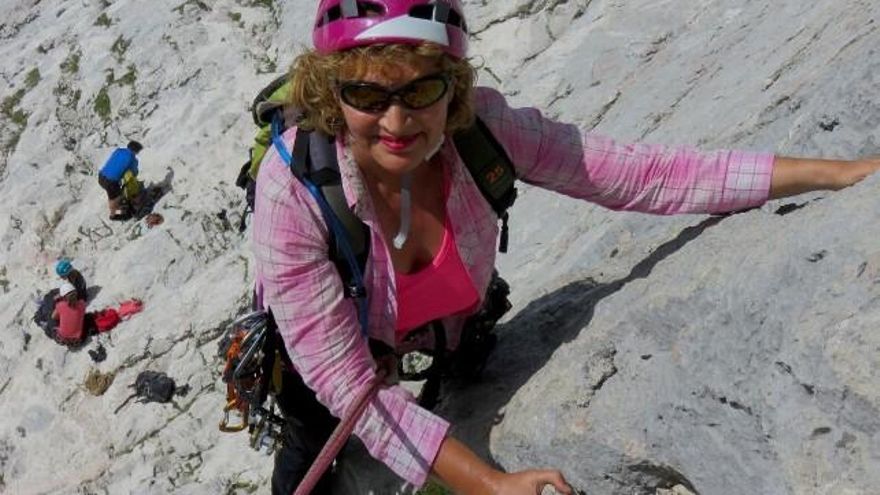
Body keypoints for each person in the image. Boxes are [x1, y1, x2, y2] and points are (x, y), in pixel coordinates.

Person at [251, 1, 880, 493]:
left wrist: (833, 174)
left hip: (452, 333)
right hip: (335, 360)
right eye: (366, 95)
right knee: (311, 446)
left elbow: (645, 175)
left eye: (420, 90)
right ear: (331, 92)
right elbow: (346, 383)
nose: (396, 121)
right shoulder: (296, 190)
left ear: (453, 86)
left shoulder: (483, 132)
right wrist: (489, 484)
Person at [98, 140, 143, 220]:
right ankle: (115, 215)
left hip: (101, 176)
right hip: (111, 182)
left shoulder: (118, 150)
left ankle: (115, 213)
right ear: (136, 151)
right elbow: (134, 173)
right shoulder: (133, 159)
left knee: (112, 195)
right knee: (118, 197)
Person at [51, 282, 87, 346]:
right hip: (78, 340)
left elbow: (53, 317)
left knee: (52, 321)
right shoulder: (82, 303)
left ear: (63, 297)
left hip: (63, 340)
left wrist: (57, 301)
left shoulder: (60, 305)